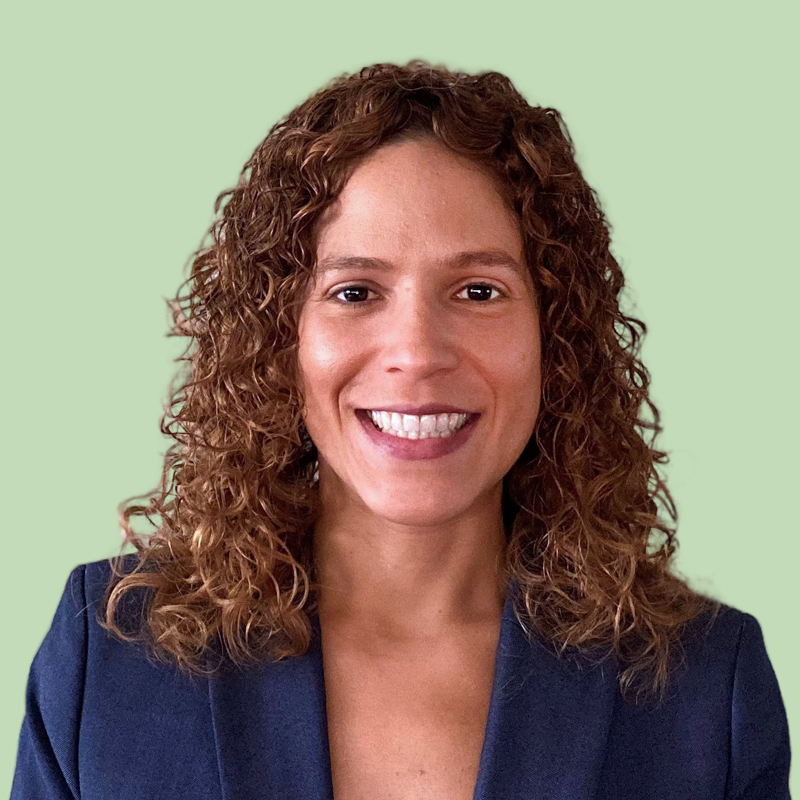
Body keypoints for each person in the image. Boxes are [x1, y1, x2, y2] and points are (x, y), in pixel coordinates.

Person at [11, 60, 791, 800]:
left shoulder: (703, 689)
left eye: (480, 290)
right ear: (278, 338)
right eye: (354, 291)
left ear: (558, 337)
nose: (417, 353)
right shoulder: (106, 656)